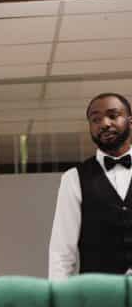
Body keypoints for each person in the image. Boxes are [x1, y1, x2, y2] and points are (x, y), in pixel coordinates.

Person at [49, 92, 132, 278]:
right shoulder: (73, 178)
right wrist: (57, 302)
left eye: (113, 115)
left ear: (130, 121)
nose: (104, 123)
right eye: (96, 119)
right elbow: (62, 251)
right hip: (97, 297)